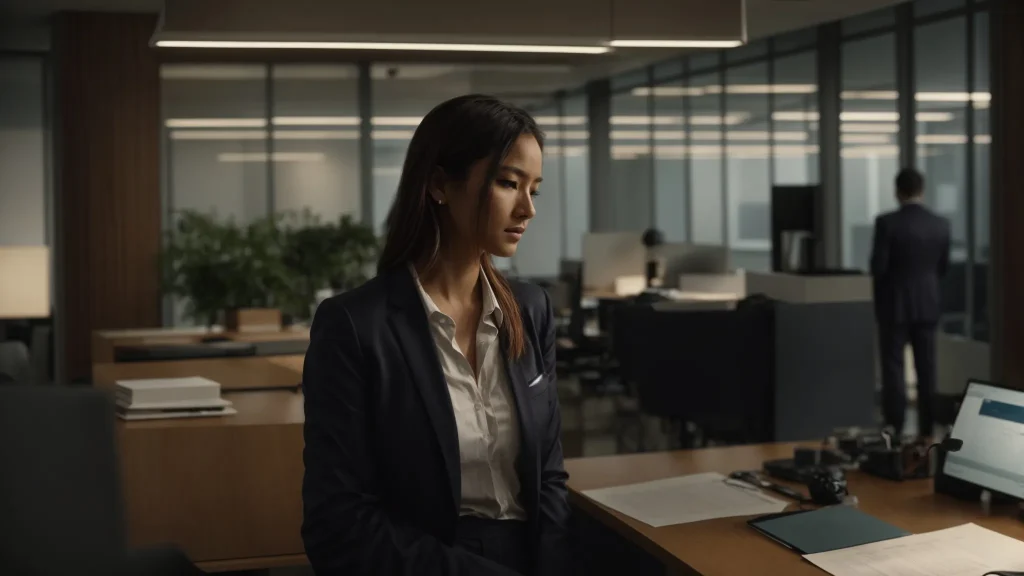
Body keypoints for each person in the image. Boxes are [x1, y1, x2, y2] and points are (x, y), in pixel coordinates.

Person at [301, 94, 571, 576]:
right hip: (429, 562)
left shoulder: (530, 310)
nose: (527, 209)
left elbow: (548, 477)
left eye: (535, 189)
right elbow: (337, 523)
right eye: (509, 183)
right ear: (439, 185)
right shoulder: (356, 326)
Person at [870, 168, 951, 441]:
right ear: (922, 190)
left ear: (897, 191)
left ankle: (895, 425)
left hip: (894, 306)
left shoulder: (887, 223)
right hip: (927, 305)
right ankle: (928, 428)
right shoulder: (940, 224)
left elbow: (878, 268)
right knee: (927, 367)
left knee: (894, 368)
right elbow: (943, 267)